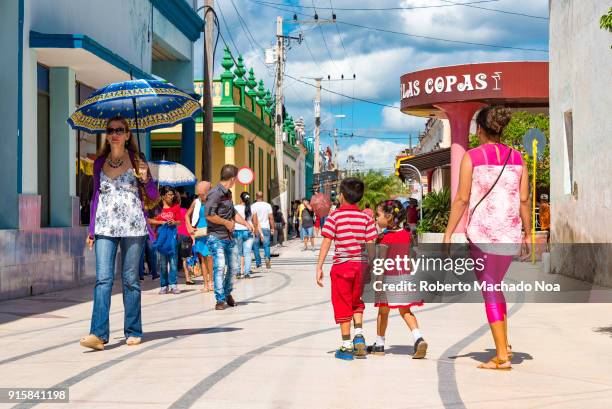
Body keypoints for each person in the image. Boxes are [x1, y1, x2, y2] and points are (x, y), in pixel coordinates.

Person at [444, 106, 529, 371]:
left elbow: (461, 199)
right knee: (496, 286)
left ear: (479, 129)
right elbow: (524, 199)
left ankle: (502, 356)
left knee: (489, 287)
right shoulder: (517, 158)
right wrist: (528, 232)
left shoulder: (472, 157)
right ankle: (505, 344)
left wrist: (448, 233)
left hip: (482, 235)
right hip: (510, 233)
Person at [80, 116, 159, 351]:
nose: (114, 133)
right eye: (111, 130)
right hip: (105, 227)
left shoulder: (138, 161)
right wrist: (92, 230)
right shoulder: (99, 163)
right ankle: (98, 334)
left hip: (133, 227)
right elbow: (96, 197)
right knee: (103, 279)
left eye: (120, 130)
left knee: (130, 280)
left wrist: (145, 178)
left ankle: (133, 330)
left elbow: (154, 196)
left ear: (127, 135)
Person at [316, 177, 378, 360]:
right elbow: (371, 243)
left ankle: (346, 345)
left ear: (341, 196)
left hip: (342, 267)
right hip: (361, 266)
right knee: (356, 300)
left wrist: (319, 266)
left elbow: (327, 240)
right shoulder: (366, 218)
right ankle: (359, 335)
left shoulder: (335, 217)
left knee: (342, 303)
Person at [367, 200, 427, 359]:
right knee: (406, 311)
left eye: (377, 215)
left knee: (383, 311)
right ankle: (418, 338)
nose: (375, 219)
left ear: (388, 217)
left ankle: (379, 344)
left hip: (388, 280)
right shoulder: (407, 235)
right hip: (404, 278)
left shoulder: (384, 238)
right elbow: (412, 257)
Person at [205, 165, 253, 310]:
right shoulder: (215, 193)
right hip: (216, 237)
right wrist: (226, 223)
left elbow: (232, 213)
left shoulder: (228, 194)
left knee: (233, 268)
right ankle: (219, 300)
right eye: (235, 179)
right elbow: (209, 215)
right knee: (219, 267)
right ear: (232, 179)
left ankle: (227, 293)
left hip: (229, 237)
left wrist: (246, 223)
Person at [149, 186, 182, 295]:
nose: (172, 197)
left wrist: (174, 222)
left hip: (172, 239)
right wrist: (161, 223)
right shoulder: (157, 208)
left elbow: (180, 221)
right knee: (163, 264)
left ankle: (173, 285)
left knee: (173, 263)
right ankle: (164, 285)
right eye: (169, 195)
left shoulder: (176, 207)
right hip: (161, 240)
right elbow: (148, 220)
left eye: (173, 195)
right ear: (163, 196)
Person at [185, 181, 213, 293]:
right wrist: (190, 228)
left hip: (211, 231)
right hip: (200, 232)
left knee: (210, 257)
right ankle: (205, 284)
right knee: (203, 258)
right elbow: (187, 215)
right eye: (199, 194)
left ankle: (211, 282)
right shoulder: (196, 202)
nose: (201, 196)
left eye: (203, 194)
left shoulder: (212, 201)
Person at [234, 191, 257, 279]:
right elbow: (255, 222)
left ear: (240, 198)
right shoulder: (252, 208)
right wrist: (255, 231)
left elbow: (233, 219)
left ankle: (238, 272)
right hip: (248, 232)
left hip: (237, 231)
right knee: (247, 253)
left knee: (239, 253)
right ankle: (247, 273)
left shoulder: (235, 207)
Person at [251, 191, 274, 270]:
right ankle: (267, 258)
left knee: (255, 246)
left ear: (256, 196)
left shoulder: (253, 206)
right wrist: (272, 228)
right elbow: (271, 218)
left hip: (256, 228)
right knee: (266, 245)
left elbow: (252, 218)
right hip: (266, 228)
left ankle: (258, 263)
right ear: (262, 196)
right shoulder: (267, 205)